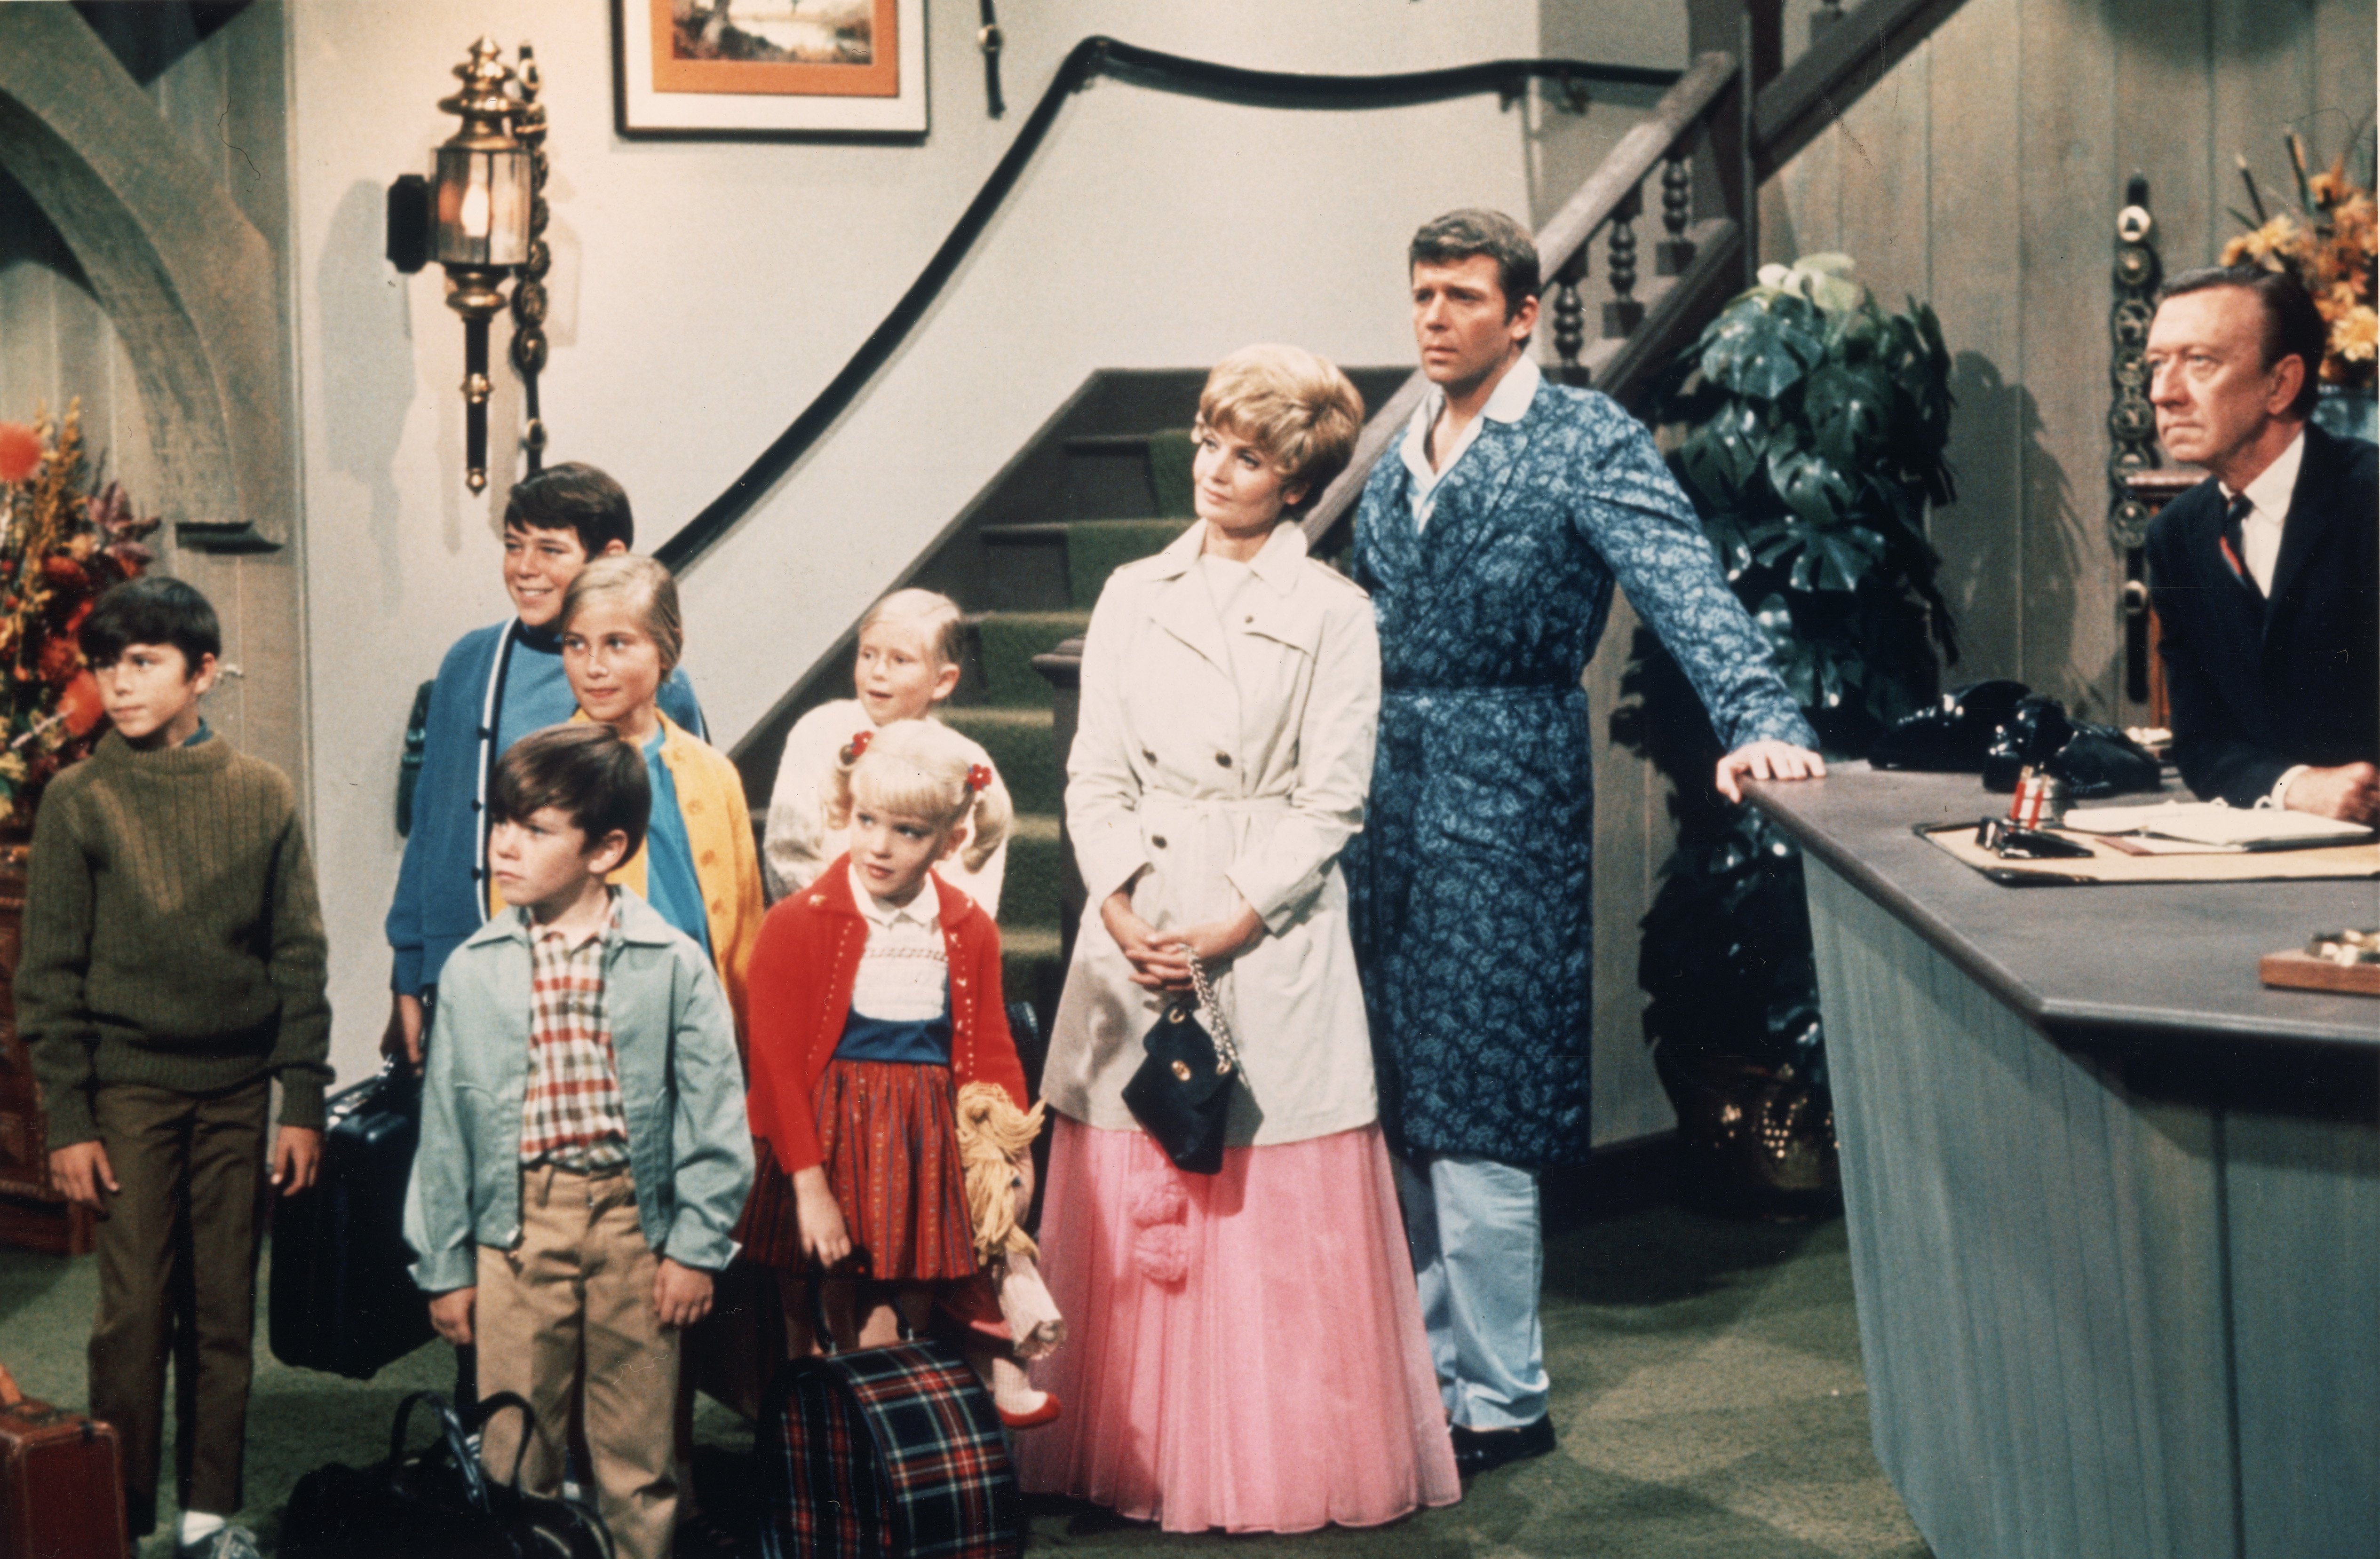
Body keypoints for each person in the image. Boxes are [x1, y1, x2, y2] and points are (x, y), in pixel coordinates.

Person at [1346, 210, 1824, 1478]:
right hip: (1383, 792)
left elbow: (1681, 582)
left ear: (1521, 315)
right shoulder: (1403, 447)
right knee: (1403, 1093)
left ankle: (1503, 1394)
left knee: (1484, 1094)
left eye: (1459, 295)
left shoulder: (1579, 438)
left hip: (1506, 785)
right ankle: (1430, 1380)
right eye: (1420, 294)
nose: (1434, 316)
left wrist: (1759, 715)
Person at [1017, 344, 1460, 1532]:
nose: (1214, 469)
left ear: (1293, 477)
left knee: (1262, 1187)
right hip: (1140, 914)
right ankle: (1132, 1450)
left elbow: (1334, 798)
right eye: (1209, 441)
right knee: (1129, 1163)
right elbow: (1092, 771)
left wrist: (1239, 913)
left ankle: (1265, 1459)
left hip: (1263, 926)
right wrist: (1113, 900)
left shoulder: (1333, 612)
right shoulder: (1128, 592)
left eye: (1247, 455)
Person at [24, 577, 330, 1559]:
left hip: (240, 1091)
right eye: (106, 664)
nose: (119, 683)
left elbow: (298, 957)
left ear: (203, 672)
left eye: (144, 662)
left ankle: (209, 1511)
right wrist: (68, 1118)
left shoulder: (263, 793)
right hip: (130, 1094)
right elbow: (49, 976)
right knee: (131, 1315)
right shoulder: (80, 800)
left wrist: (302, 1098)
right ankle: (118, 1512)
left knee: (223, 1307)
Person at [403, 723, 754, 1559]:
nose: (506, 846)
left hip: (637, 1230)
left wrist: (697, 1248)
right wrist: (445, 1264)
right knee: (515, 1449)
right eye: (502, 824)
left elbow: (714, 1115)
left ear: (606, 849)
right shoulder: (473, 968)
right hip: (517, 1234)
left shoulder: (671, 963)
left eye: (536, 829)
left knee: (638, 1457)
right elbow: (446, 1134)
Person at [735, 720, 1034, 1405]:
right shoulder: (795, 920)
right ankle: (815, 1484)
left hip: (918, 1147)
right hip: (820, 1146)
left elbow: (989, 1048)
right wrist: (809, 1189)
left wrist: (1013, 1155)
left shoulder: (965, 925)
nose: (877, 844)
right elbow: (777, 1067)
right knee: (813, 1326)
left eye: (907, 830)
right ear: (847, 810)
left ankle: (891, 1480)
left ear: (950, 839)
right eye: (867, 819)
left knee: (896, 1335)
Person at [383, 462, 706, 1065]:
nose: (524, 568)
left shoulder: (655, 685)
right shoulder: (470, 664)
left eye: (550, 549)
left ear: (609, 555)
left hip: (602, 983)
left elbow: (684, 849)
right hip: (470, 967)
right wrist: (409, 968)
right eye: (513, 546)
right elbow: (430, 829)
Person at [2143, 262, 2379, 822]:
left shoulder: (2370, 501)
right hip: (2274, 854)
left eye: (2198, 362)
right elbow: (2201, 745)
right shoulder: (2176, 534)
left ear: (2280, 384)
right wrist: (2296, 787)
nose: (2162, 393)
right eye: (2155, 364)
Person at [552, 554, 764, 1029]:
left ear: (667, 650)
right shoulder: (545, 773)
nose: (592, 667)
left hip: (703, 1020)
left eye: (617, 644)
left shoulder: (715, 773)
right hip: (594, 1031)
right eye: (575, 645)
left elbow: (746, 930)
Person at [762, 588, 1011, 910]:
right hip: (823, 926)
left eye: (900, 660)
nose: (878, 672)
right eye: (868, 655)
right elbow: (788, 851)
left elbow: (973, 880)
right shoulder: (818, 731)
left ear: (943, 681)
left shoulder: (968, 762)